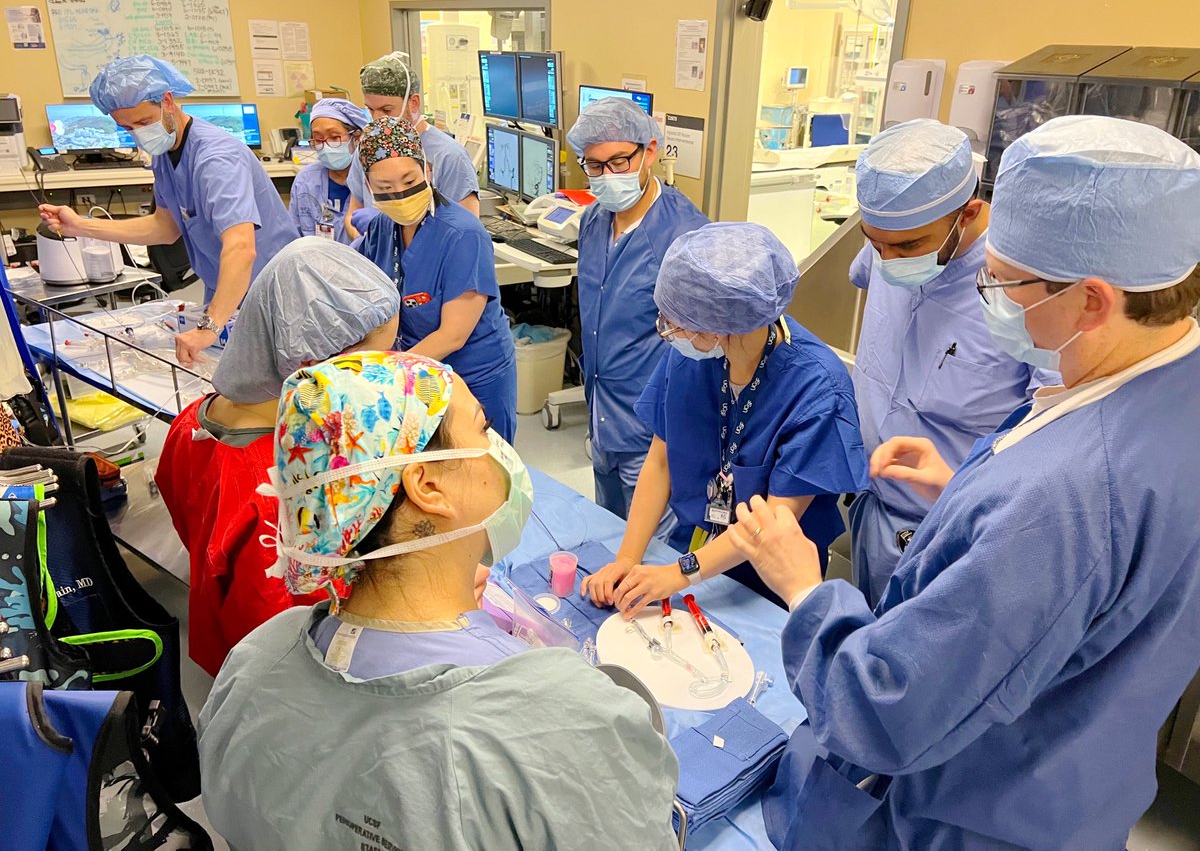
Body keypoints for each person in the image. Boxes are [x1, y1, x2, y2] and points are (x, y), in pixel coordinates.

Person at [726, 116, 1200, 850]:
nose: (989, 295)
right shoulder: (1168, 393)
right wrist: (969, 484)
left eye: (1006, 282)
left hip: (977, 817)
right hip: (1076, 785)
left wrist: (802, 589)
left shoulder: (1068, 495)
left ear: (1095, 300)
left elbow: (888, 711)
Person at [198, 351, 679, 850]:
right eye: (483, 427)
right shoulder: (568, 722)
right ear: (428, 485)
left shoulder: (255, 663)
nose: (499, 450)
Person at [581, 223, 868, 613]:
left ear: (723, 326)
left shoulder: (816, 389)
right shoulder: (691, 355)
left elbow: (771, 524)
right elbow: (660, 460)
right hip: (692, 550)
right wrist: (628, 560)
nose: (668, 333)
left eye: (677, 324)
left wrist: (677, 575)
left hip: (772, 580)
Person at [155, 237, 400, 676]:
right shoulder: (279, 493)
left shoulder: (191, 420)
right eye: (372, 367)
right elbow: (282, 631)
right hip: (280, 674)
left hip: (225, 630)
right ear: (320, 367)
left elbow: (184, 515)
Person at [848, 119, 1049, 606]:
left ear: (969, 213)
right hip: (871, 506)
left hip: (952, 532)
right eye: (876, 244)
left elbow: (1046, 436)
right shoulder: (890, 239)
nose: (889, 260)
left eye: (908, 248)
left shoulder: (1018, 289)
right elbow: (866, 272)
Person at [38, 55, 298, 366]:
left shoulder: (216, 158)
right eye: (127, 127)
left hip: (269, 291)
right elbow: (165, 226)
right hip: (226, 290)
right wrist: (80, 226)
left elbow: (241, 249)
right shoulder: (166, 151)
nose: (138, 133)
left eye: (144, 122)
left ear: (168, 101)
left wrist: (210, 327)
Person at [565, 98, 709, 542]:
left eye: (619, 161)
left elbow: (701, 347)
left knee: (650, 557)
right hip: (602, 414)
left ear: (650, 152)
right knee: (607, 539)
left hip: (653, 431)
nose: (607, 176)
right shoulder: (593, 220)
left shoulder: (684, 236)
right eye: (594, 165)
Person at [356, 117, 517, 442]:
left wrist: (387, 373)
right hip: (418, 370)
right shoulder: (382, 228)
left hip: (473, 375)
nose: (400, 194)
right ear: (369, 188)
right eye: (385, 189)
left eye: (409, 179)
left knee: (477, 472)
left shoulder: (462, 235)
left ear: (427, 171)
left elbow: (452, 336)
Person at [344, 52, 480, 240]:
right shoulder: (369, 148)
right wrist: (370, 241)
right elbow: (353, 214)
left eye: (386, 110)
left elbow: (467, 233)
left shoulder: (449, 156)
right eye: (370, 109)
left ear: (413, 103)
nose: (377, 119)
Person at [287, 98, 368, 245]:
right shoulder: (305, 181)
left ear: (356, 138)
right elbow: (294, 240)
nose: (326, 146)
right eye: (318, 139)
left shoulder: (374, 181)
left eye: (334, 137)